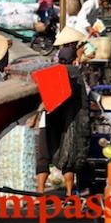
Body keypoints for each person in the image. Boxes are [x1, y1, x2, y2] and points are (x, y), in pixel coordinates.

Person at [35, 26, 90, 199]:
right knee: (70, 157)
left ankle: (40, 193)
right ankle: (68, 193)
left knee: (43, 156)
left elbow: (45, 98)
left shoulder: (51, 72)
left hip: (48, 118)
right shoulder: (77, 74)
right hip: (70, 120)